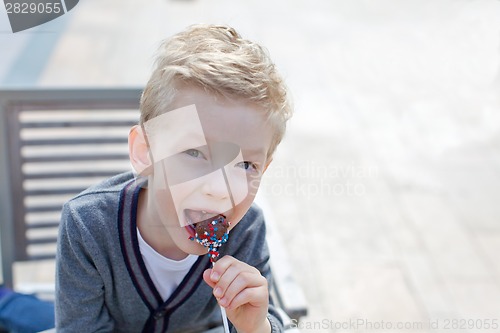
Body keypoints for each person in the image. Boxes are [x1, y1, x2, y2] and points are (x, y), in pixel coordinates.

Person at [56, 24, 292, 333]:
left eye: (246, 164)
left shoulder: (246, 230)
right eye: (195, 153)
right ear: (145, 151)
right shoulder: (87, 225)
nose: (220, 190)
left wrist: (256, 326)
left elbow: (264, 318)